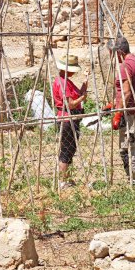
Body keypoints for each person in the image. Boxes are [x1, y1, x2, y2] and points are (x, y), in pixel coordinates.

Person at [106, 37, 135, 183]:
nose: (112, 57)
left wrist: (118, 114)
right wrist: (114, 103)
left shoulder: (125, 66)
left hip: (132, 113)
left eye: (112, 53)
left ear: (119, 52)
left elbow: (126, 93)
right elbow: (134, 89)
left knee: (130, 147)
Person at [53, 54, 88, 189]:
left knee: (70, 149)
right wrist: (82, 99)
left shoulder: (67, 81)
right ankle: (63, 181)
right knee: (66, 150)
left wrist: (86, 79)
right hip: (67, 118)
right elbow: (71, 104)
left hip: (72, 118)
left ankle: (67, 178)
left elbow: (79, 93)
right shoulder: (62, 82)